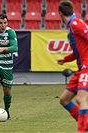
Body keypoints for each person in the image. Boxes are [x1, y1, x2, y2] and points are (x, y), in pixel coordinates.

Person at [57, 0, 88, 132]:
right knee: (64, 99)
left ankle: (82, 129)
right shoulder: (72, 26)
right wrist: (65, 59)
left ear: (59, 13)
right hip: (81, 69)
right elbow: (78, 51)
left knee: (81, 99)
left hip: (87, 68)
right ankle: (85, 123)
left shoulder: (76, 23)